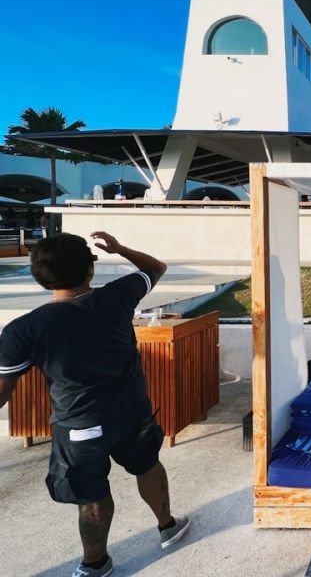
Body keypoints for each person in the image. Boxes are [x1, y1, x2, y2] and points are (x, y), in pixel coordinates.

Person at [0, 232, 189, 577]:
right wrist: (120, 249)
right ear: (90, 269)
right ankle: (167, 525)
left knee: (91, 494)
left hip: (79, 428)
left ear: (40, 277)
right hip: (133, 414)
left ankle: (95, 564)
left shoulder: (23, 330)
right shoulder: (117, 297)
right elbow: (155, 267)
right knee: (147, 465)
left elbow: (2, 392)